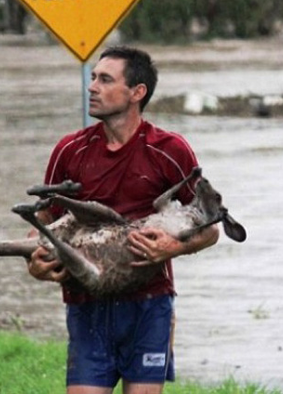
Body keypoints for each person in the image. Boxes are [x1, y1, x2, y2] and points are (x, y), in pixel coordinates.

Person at [27, 46, 219, 394]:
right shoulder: (69, 151)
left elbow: (211, 229)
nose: (93, 87)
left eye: (105, 79)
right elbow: (41, 223)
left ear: (137, 92)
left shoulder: (170, 150)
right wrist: (35, 264)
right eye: (93, 78)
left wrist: (173, 247)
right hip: (86, 305)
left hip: (148, 305)